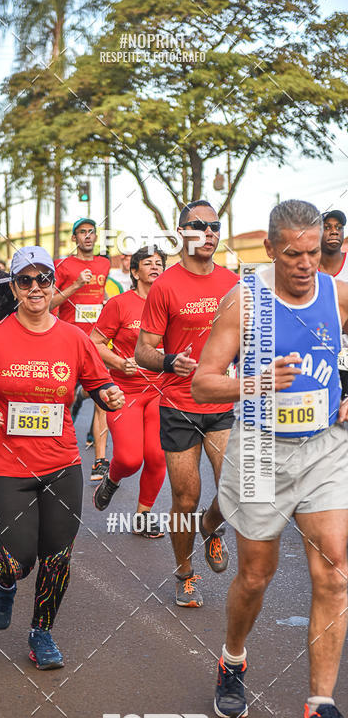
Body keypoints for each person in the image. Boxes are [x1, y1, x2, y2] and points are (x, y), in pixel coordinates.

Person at [192, 199, 348, 718]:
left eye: (313, 252)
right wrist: (252, 383)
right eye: (294, 255)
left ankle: (319, 710)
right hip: (259, 450)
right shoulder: (246, 303)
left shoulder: (337, 292)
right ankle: (233, 659)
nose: (306, 264)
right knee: (257, 577)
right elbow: (203, 385)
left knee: (334, 570)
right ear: (271, 251)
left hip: (325, 449)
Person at [0, 245, 124, 669]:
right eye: (25, 280)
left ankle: (42, 632)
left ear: (53, 284)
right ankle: (4, 582)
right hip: (9, 466)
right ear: (13, 287)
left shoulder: (74, 339)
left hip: (62, 462)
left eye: (43, 279)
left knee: (58, 555)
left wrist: (110, 393)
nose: (35, 287)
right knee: (17, 558)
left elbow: (98, 383)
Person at [135, 200, 238, 607]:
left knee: (237, 487)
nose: (209, 232)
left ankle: (211, 528)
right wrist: (168, 361)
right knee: (185, 498)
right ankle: (184, 571)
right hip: (178, 404)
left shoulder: (233, 282)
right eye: (199, 226)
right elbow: (143, 349)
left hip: (223, 403)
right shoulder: (165, 286)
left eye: (215, 226)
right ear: (182, 232)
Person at [91, 247, 167, 536]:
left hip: (161, 389)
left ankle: (143, 515)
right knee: (129, 458)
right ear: (135, 272)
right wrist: (120, 363)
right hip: (125, 391)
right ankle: (112, 479)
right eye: (147, 263)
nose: (155, 267)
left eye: (160, 263)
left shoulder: (170, 304)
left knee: (157, 456)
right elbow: (94, 343)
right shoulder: (121, 304)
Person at [51, 218, 111, 480]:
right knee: (60, 398)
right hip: (67, 339)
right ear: (74, 239)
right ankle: (56, 455)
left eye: (91, 232)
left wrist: (109, 304)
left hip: (96, 340)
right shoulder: (63, 266)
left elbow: (100, 297)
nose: (87, 236)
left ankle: (100, 460)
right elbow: (51, 300)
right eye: (82, 233)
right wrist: (75, 285)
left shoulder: (104, 263)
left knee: (102, 398)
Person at [318, 209, 348, 397]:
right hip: (317, 360)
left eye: (339, 227)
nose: (334, 231)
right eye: (327, 227)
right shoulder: (307, 269)